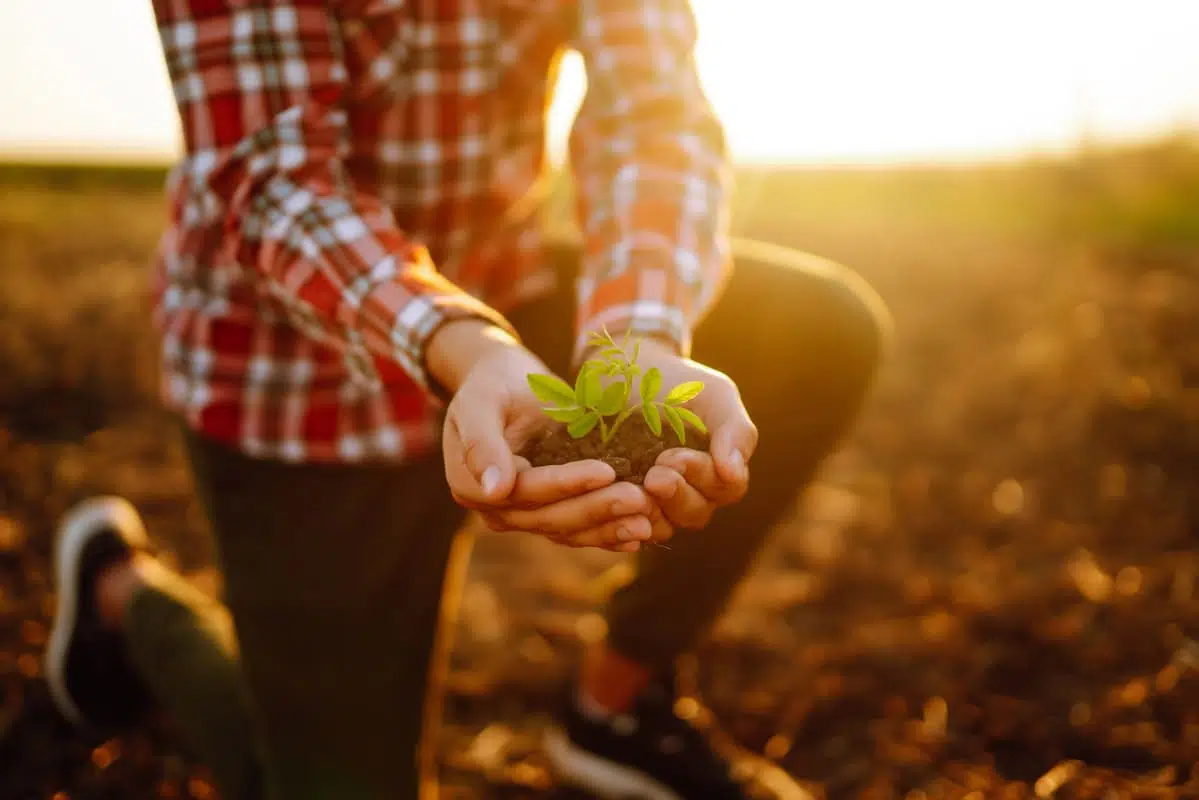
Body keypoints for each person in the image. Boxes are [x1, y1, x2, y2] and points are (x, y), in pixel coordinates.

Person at [42, 1, 888, 798]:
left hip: (501, 287)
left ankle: (613, 709)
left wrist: (637, 341)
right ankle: (128, 600)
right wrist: (466, 348)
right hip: (293, 375)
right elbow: (275, 181)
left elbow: (652, 114)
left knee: (818, 332)